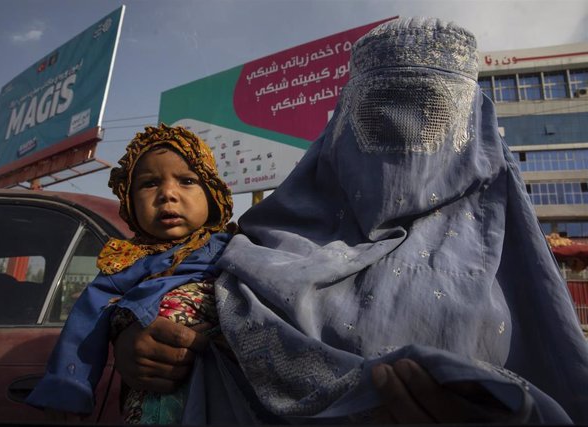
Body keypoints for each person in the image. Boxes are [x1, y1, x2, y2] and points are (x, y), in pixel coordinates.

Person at [115, 17, 588, 424]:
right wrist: (137, 352)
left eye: (431, 114)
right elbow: (183, 328)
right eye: (381, 116)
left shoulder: (508, 262)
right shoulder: (258, 245)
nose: (405, 142)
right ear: (341, 126)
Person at [25, 124, 235, 424]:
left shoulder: (233, 249)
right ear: (129, 199)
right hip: (157, 398)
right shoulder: (126, 261)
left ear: (212, 194)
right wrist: (67, 388)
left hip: (226, 392)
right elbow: (85, 325)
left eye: (187, 180)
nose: (167, 195)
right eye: (149, 184)